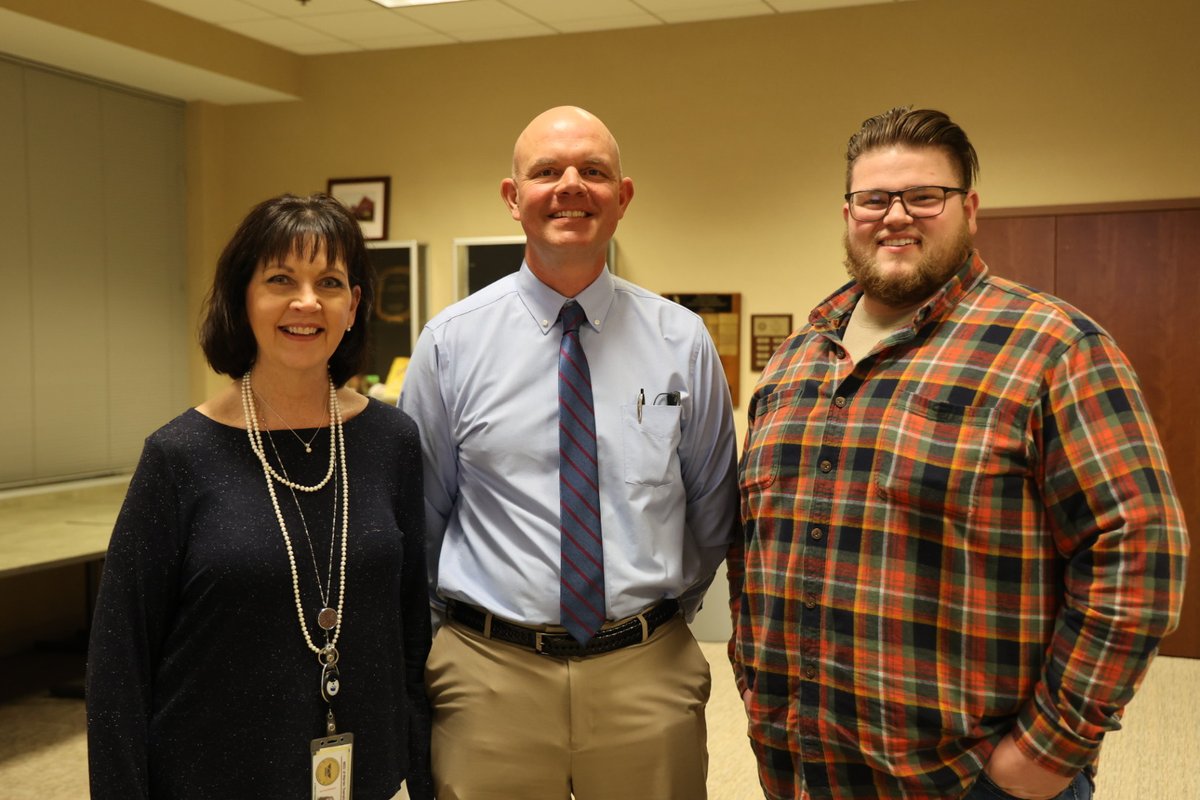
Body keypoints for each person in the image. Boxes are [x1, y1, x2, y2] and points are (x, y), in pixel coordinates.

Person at [729, 107, 1189, 800]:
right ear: (848, 210)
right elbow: (753, 545)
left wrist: (1049, 750)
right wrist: (754, 682)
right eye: (874, 198)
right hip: (802, 765)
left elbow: (1139, 553)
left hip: (968, 779)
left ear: (969, 208)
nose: (895, 216)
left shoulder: (1053, 347)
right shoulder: (795, 362)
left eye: (924, 196)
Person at [399, 105, 739, 799]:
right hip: (490, 673)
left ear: (624, 197)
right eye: (547, 172)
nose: (571, 186)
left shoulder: (683, 342)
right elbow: (422, 519)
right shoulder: (449, 345)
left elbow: (712, 514)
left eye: (594, 171)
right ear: (512, 197)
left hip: (644, 668)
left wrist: (657, 624)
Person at [86, 193, 432, 799]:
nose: (306, 301)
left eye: (329, 281)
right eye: (280, 279)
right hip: (210, 776)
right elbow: (120, 659)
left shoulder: (391, 441)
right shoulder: (178, 456)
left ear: (352, 306)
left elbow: (409, 629)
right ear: (243, 298)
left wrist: (418, 765)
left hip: (359, 777)